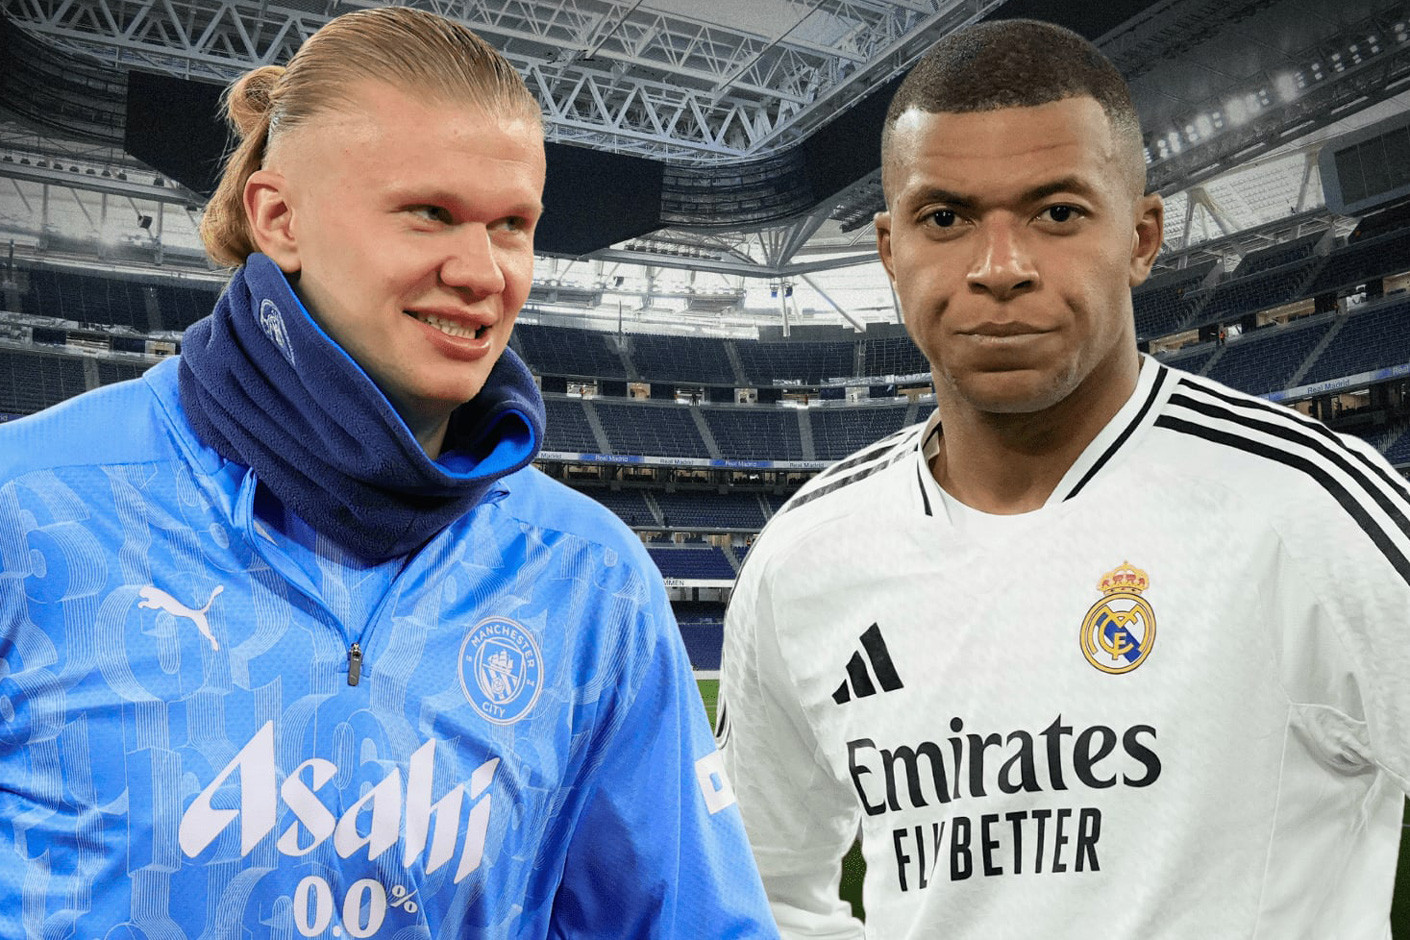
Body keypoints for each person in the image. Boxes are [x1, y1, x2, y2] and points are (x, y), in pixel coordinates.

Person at [0, 8, 776, 938]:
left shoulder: (589, 578)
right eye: (430, 214)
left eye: (513, 225)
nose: (483, 271)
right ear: (279, 219)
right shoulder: (29, 508)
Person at [718, 18, 1410, 939]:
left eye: (1056, 213)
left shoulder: (1308, 506)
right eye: (945, 218)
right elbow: (753, 886)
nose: (999, 268)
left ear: (1142, 237)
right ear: (890, 250)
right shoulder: (805, 556)